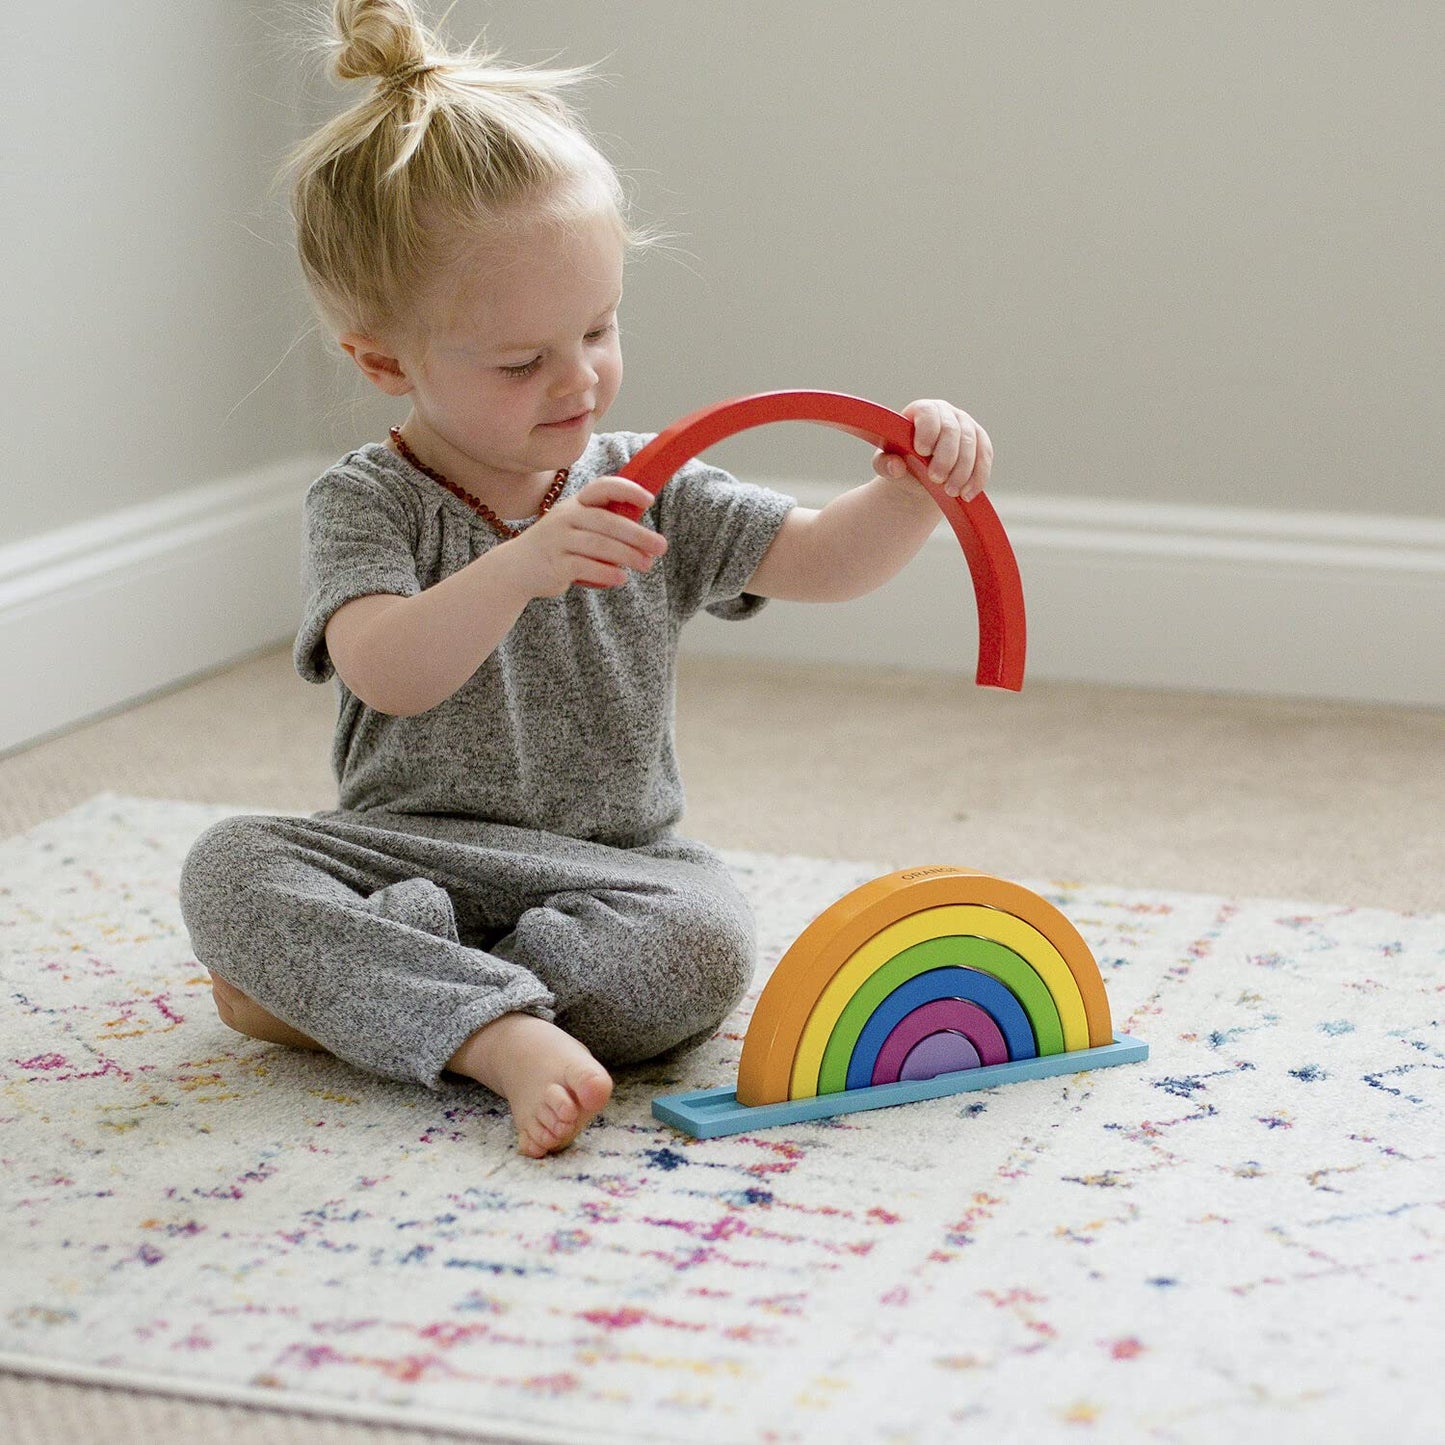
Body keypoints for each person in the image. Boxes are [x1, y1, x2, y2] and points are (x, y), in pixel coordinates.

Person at [179, 0, 993, 1159]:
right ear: (381, 359)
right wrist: (518, 566)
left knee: (706, 941)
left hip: (616, 870)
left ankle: (379, 997)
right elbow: (387, 669)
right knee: (228, 865)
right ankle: (491, 1030)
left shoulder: (649, 481)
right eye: (521, 361)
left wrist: (909, 493)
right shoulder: (367, 500)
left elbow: (820, 559)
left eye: (598, 330)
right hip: (408, 852)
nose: (577, 381)